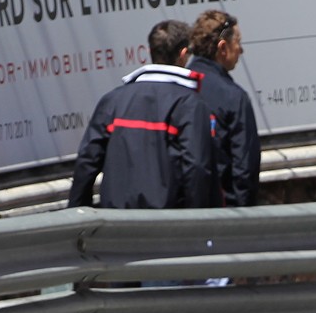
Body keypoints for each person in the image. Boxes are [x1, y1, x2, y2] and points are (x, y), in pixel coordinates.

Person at [68, 19, 216, 209]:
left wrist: (78, 216)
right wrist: (196, 222)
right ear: (183, 54)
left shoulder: (113, 101)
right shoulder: (190, 104)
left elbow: (87, 162)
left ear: (150, 52)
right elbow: (196, 168)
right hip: (168, 224)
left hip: (117, 224)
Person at [186, 8, 261, 207]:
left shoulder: (174, 87)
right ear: (222, 48)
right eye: (238, 42)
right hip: (221, 213)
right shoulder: (233, 98)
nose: (241, 50)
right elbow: (244, 169)